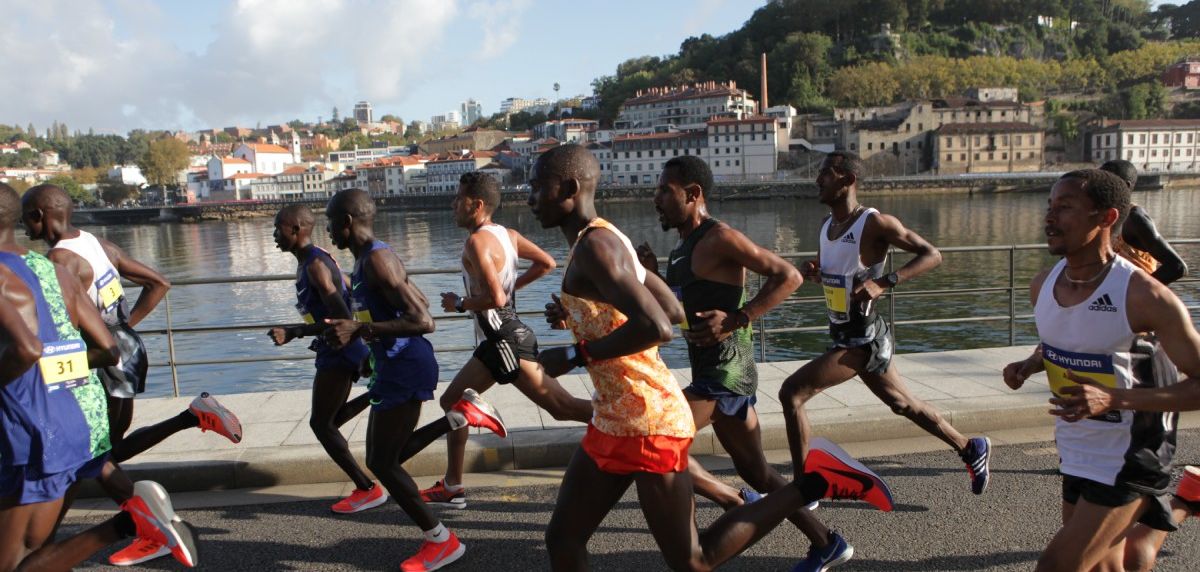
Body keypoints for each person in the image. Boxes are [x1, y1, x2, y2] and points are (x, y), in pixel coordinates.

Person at [530, 144, 894, 571]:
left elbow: (658, 326)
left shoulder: (603, 244)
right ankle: (818, 531)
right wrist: (582, 315)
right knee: (562, 538)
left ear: (570, 188)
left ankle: (818, 482)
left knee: (693, 562)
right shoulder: (612, 238)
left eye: (538, 187)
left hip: (658, 412)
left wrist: (577, 352)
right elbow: (669, 310)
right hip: (616, 415)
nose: (531, 197)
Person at [636, 155, 851, 571]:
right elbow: (682, 311)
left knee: (657, 438)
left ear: (693, 194)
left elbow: (787, 275)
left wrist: (738, 318)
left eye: (665, 190)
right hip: (714, 374)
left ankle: (706, 527)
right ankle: (827, 542)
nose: (656, 199)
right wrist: (652, 277)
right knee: (759, 473)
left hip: (724, 375)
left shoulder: (719, 238)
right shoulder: (682, 247)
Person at [22, 183, 241, 565]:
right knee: (102, 453)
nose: (25, 228)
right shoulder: (95, 243)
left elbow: (57, 321)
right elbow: (160, 282)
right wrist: (126, 328)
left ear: (40, 215)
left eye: (27, 217)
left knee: (99, 455)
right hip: (128, 351)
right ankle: (117, 526)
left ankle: (149, 522)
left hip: (102, 359)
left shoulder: (59, 259)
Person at [1000, 168, 1200, 571]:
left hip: (1132, 454)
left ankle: (1180, 501)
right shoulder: (1043, 285)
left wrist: (1113, 398)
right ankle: (1186, 500)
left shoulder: (1145, 296)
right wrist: (1032, 363)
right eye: (1049, 206)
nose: (1050, 217)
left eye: (1066, 207)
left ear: (1107, 218)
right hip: (1078, 448)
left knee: (1057, 567)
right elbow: (1069, 339)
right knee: (1108, 566)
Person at [778, 151, 992, 498]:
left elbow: (932, 255)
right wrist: (819, 273)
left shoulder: (875, 223)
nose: (817, 180)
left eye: (825, 174)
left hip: (862, 340)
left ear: (847, 180)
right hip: (842, 333)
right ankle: (969, 447)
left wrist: (886, 281)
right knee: (903, 404)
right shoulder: (826, 226)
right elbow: (843, 274)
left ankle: (805, 490)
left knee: (792, 393)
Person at [322, 188, 508, 571]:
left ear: (346, 222)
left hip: (407, 365)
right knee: (387, 459)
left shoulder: (377, 260)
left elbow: (425, 320)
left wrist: (360, 329)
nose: (327, 231)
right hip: (394, 365)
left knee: (384, 462)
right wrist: (370, 341)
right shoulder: (368, 260)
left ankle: (441, 540)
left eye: (329, 223)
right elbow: (416, 299)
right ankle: (458, 418)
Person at [422, 172, 592, 508]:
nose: (453, 204)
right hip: (507, 337)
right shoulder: (507, 235)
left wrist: (460, 303)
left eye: (458, 199)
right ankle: (452, 484)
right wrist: (510, 289)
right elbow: (547, 263)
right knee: (557, 408)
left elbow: (496, 300)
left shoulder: (476, 242)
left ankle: (632, 421)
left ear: (478, 205)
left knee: (562, 407)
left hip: (504, 340)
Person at [268, 205, 380, 514]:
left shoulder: (315, 265)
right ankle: (377, 394)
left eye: (278, 228)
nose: (274, 234)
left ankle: (367, 488)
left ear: (295, 229)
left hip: (339, 350)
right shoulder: (312, 259)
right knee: (330, 422)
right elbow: (345, 290)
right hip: (334, 348)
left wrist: (296, 331)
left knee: (321, 424)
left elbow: (343, 317)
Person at [1098, 159, 1188, 285]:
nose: (1098, 188)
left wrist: (1136, 291)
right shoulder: (1102, 216)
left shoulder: (1134, 218)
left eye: (1106, 182)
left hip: (1135, 301)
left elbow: (1177, 267)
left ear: (1125, 186)